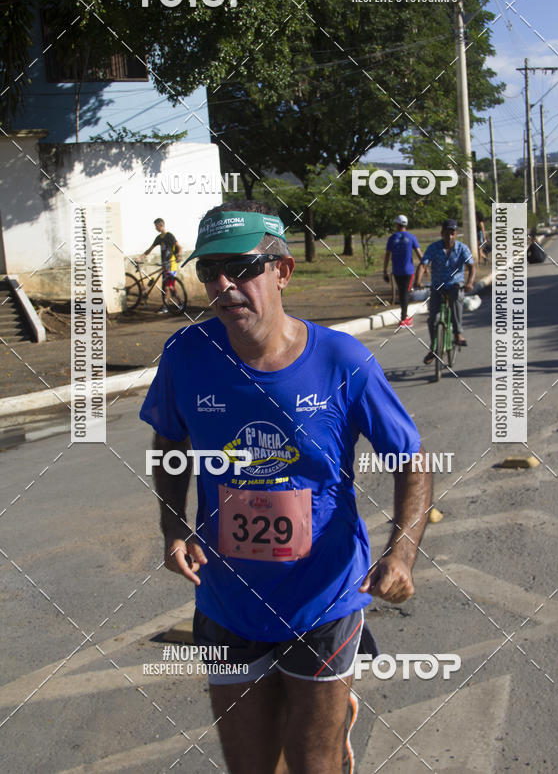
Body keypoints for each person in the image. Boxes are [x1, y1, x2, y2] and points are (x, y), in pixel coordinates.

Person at [140, 199, 432, 774]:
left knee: (311, 764)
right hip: (227, 601)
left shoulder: (342, 360)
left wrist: (403, 554)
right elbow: (171, 443)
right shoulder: (185, 355)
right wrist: (173, 526)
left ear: (283, 271)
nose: (224, 285)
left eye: (243, 268)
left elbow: (412, 457)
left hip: (325, 599)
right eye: (209, 271)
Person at [414, 218, 475, 365]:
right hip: (438, 286)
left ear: (456, 234)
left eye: (452, 233)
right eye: (447, 233)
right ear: (442, 233)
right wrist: (418, 280)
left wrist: (470, 282)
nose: (450, 236)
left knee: (455, 299)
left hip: (455, 284)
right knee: (433, 318)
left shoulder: (462, 248)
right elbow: (423, 264)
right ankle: (434, 348)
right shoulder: (434, 248)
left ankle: (458, 333)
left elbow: (471, 267)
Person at [383, 215, 423, 326]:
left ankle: (404, 316)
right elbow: (419, 254)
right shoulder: (411, 237)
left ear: (397, 224)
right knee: (405, 293)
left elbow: (387, 255)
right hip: (408, 271)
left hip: (396, 271)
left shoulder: (392, 238)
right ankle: (404, 318)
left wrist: (384, 270)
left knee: (402, 292)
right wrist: (425, 266)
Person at [140, 218, 182, 313]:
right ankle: (179, 303)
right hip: (164, 265)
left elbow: (179, 247)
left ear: (161, 225)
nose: (155, 228)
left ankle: (166, 306)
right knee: (168, 287)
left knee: (168, 287)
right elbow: (150, 249)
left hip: (171, 264)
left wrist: (178, 255)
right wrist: (140, 257)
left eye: (156, 226)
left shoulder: (169, 236)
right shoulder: (159, 238)